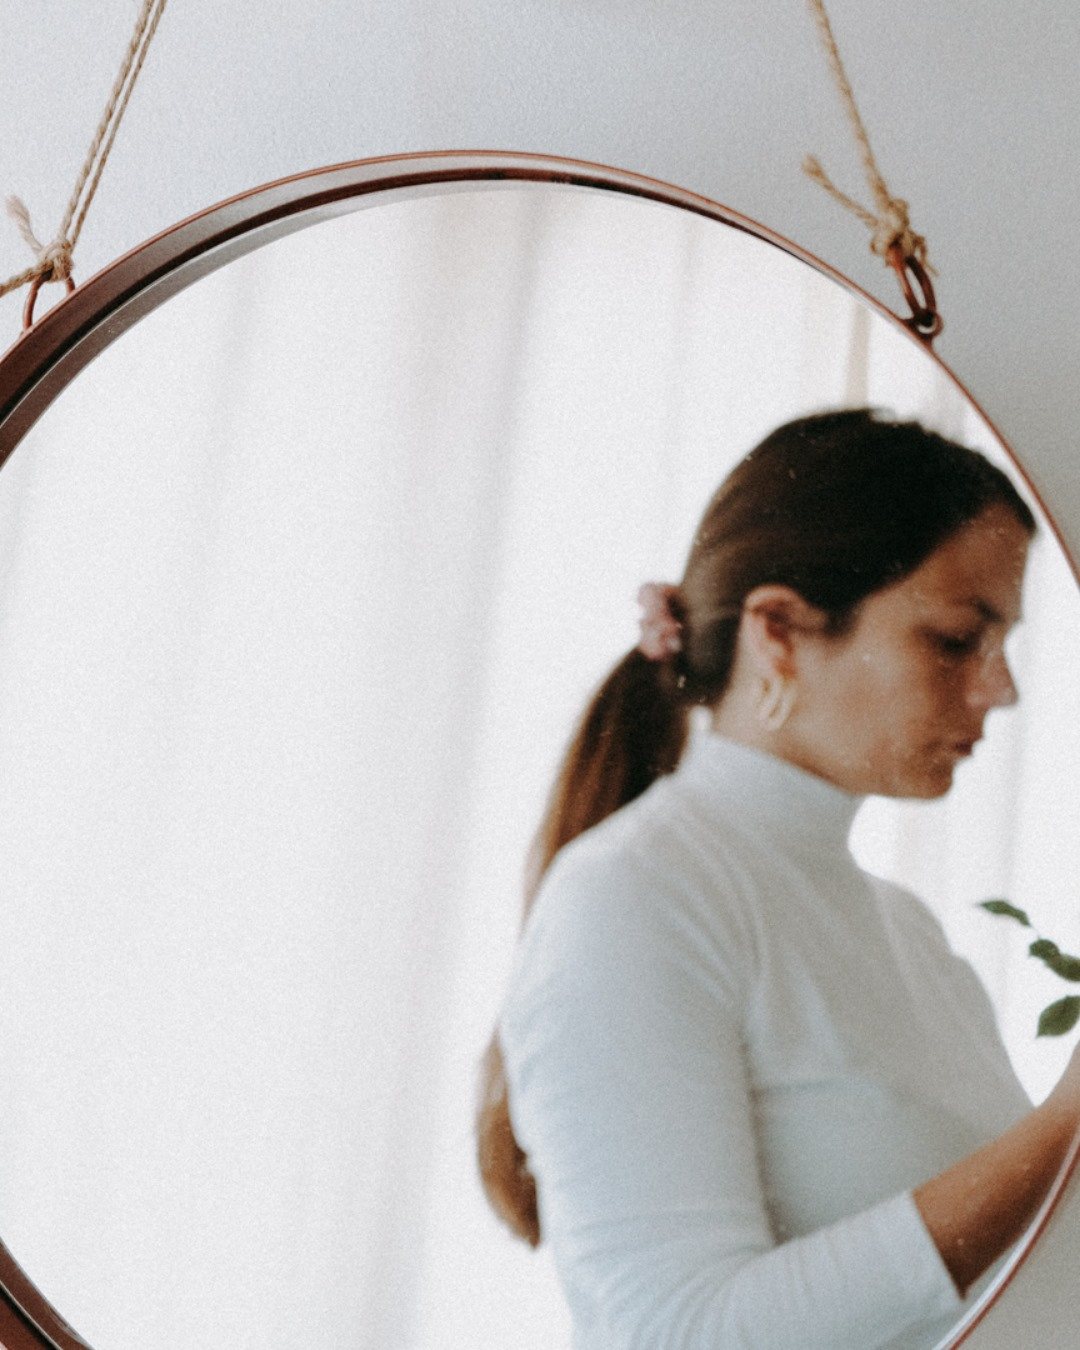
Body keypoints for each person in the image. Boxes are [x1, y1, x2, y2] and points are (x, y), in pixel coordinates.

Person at [476, 409, 1080, 1349]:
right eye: (958, 639)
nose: (1002, 690)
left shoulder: (912, 934)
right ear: (779, 632)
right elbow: (675, 1333)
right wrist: (1066, 1123)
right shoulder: (632, 897)